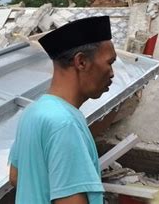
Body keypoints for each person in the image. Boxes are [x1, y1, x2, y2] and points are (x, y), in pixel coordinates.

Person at [8, 16, 117, 204]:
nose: (112, 73)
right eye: (110, 62)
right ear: (81, 62)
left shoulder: (33, 112)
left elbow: (16, 176)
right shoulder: (65, 123)